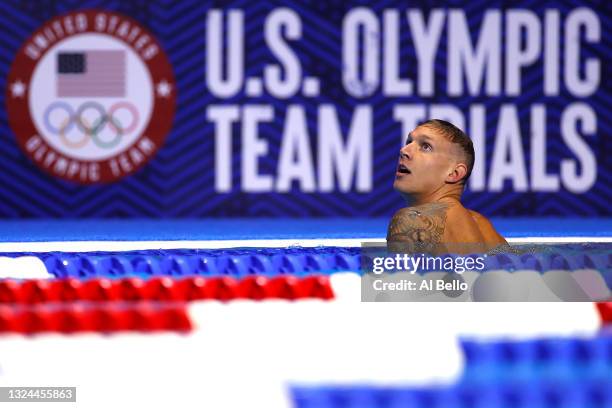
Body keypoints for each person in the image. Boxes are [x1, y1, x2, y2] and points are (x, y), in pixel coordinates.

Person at [387, 119, 507, 253]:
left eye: (426, 146)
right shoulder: (484, 226)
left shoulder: (412, 220)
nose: (404, 150)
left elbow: (402, 274)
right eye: (409, 142)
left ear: (454, 173)